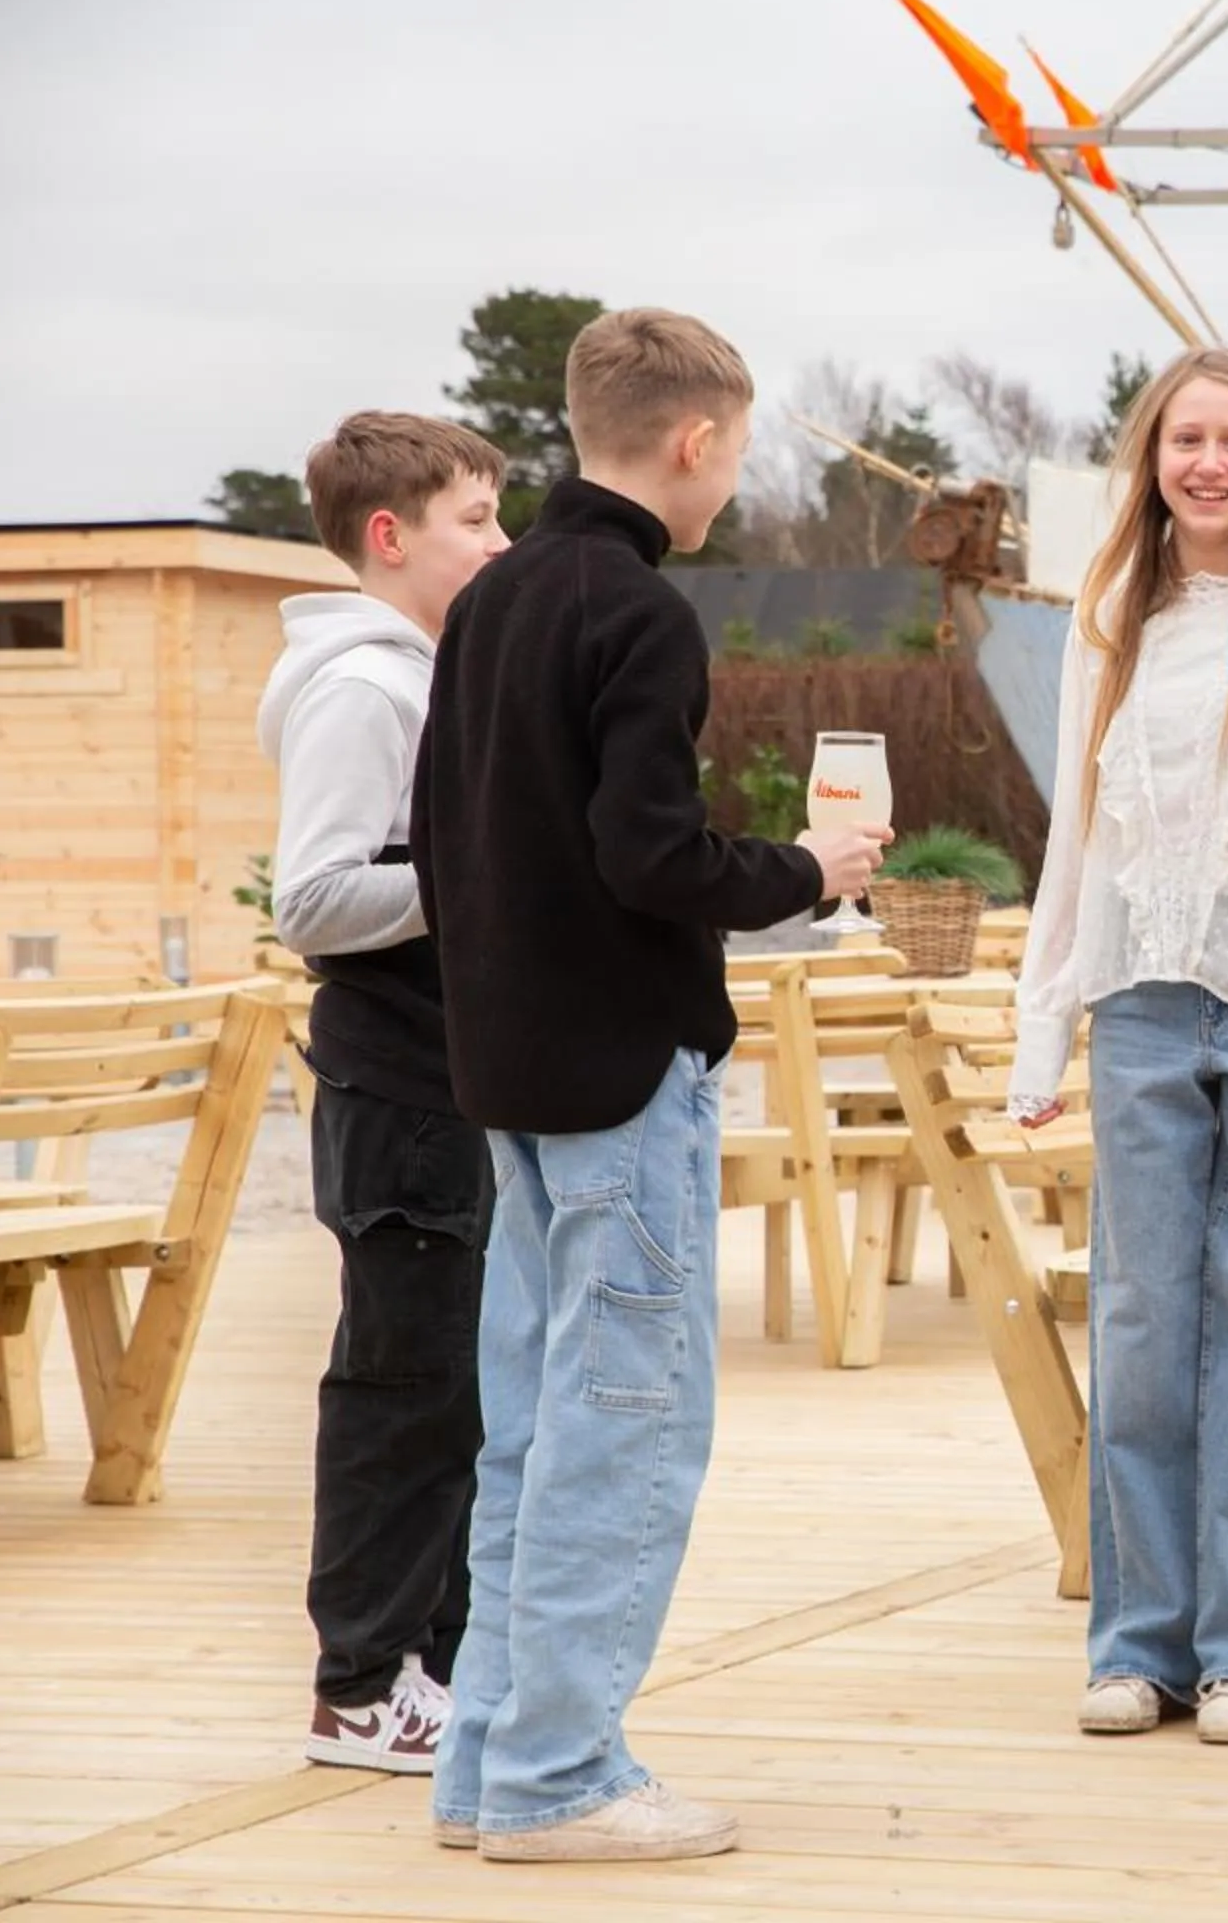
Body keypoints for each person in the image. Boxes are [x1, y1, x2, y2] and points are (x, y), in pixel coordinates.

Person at [411, 308, 888, 1863]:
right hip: (621, 1075)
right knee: (629, 1422)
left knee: (533, 1431)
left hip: (509, 1077)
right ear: (694, 443)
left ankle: (486, 1762)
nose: (731, 485)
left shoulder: (488, 606)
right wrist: (808, 869)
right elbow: (649, 856)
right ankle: (559, 1779)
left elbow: (456, 851)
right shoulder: (636, 612)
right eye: (735, 455)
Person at [1009, 347, 1228, 1746]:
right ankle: (1140, 1641)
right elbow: (1075, 832)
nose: (1209, 465)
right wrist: (1046, 1020)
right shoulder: (1107, 619)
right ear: (1150, 457)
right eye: (1185, 440)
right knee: (1144, 1312)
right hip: (1141, 994)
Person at [258, 412, 511, 1776]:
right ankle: (359, 1687)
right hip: (398, 1089)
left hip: (441, 1086)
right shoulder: (366, 687)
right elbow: (315, 897)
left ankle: (426, 1670)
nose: (501, 541)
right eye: (475, 518)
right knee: (402, 1392)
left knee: (452, 1391)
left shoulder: (426, 672)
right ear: (389, 535)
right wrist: (492, 879)